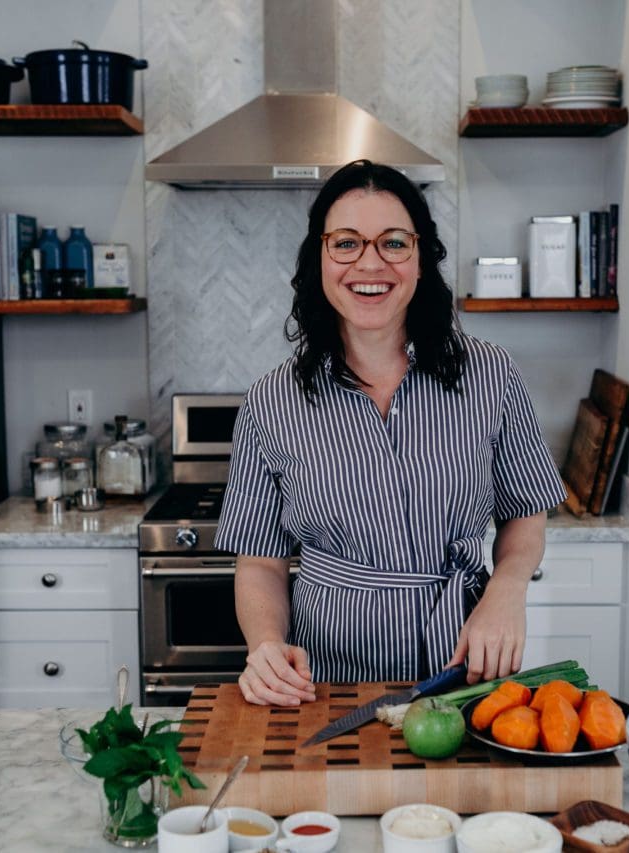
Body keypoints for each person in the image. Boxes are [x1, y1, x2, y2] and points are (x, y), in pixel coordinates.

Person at [213, 160, 567, 707]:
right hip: (326, 686)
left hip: (459, 668)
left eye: (394, 243)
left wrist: (506, 588)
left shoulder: (492, 374)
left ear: (421, 258)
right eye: (347, 243)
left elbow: (526, 508)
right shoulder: (271, 400)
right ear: (320, 259)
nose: (370, 263)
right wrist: (265, 645)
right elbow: (260, 560)